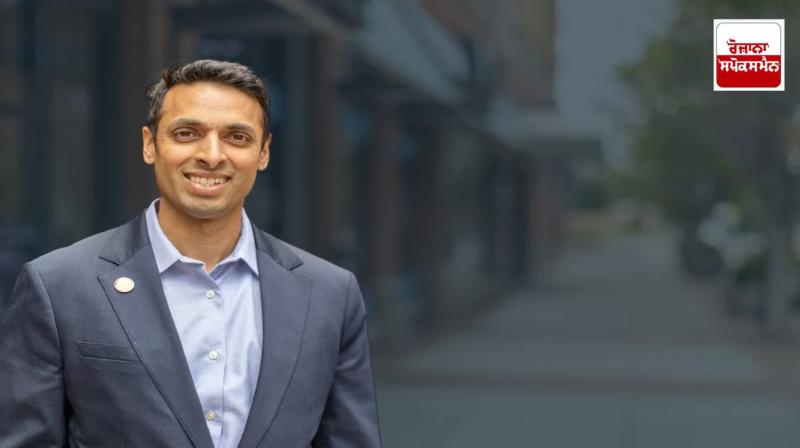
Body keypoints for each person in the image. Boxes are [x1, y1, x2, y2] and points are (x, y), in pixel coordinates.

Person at [0, 59, 381, 448]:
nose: (212, 155)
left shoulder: (331, 294)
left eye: (237, 137)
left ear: (264, 153)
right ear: (150, 144)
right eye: (187, 133)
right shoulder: (59, 286)